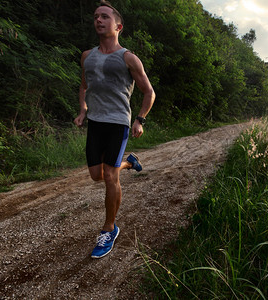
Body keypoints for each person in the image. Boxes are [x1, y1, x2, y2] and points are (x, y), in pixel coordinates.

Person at [74, 0, 155, 259]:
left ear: (118, 25)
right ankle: (130, 163)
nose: (98, 20)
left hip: (118, 121)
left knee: (110, 176)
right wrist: (83, 110)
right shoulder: (87, 56)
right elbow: (84, 85)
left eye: (105, 17)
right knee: (96, 175)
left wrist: (140, 119)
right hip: (96, 122)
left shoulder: (128, 57)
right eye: (96, 16)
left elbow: (149, 92)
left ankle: (109, 228)